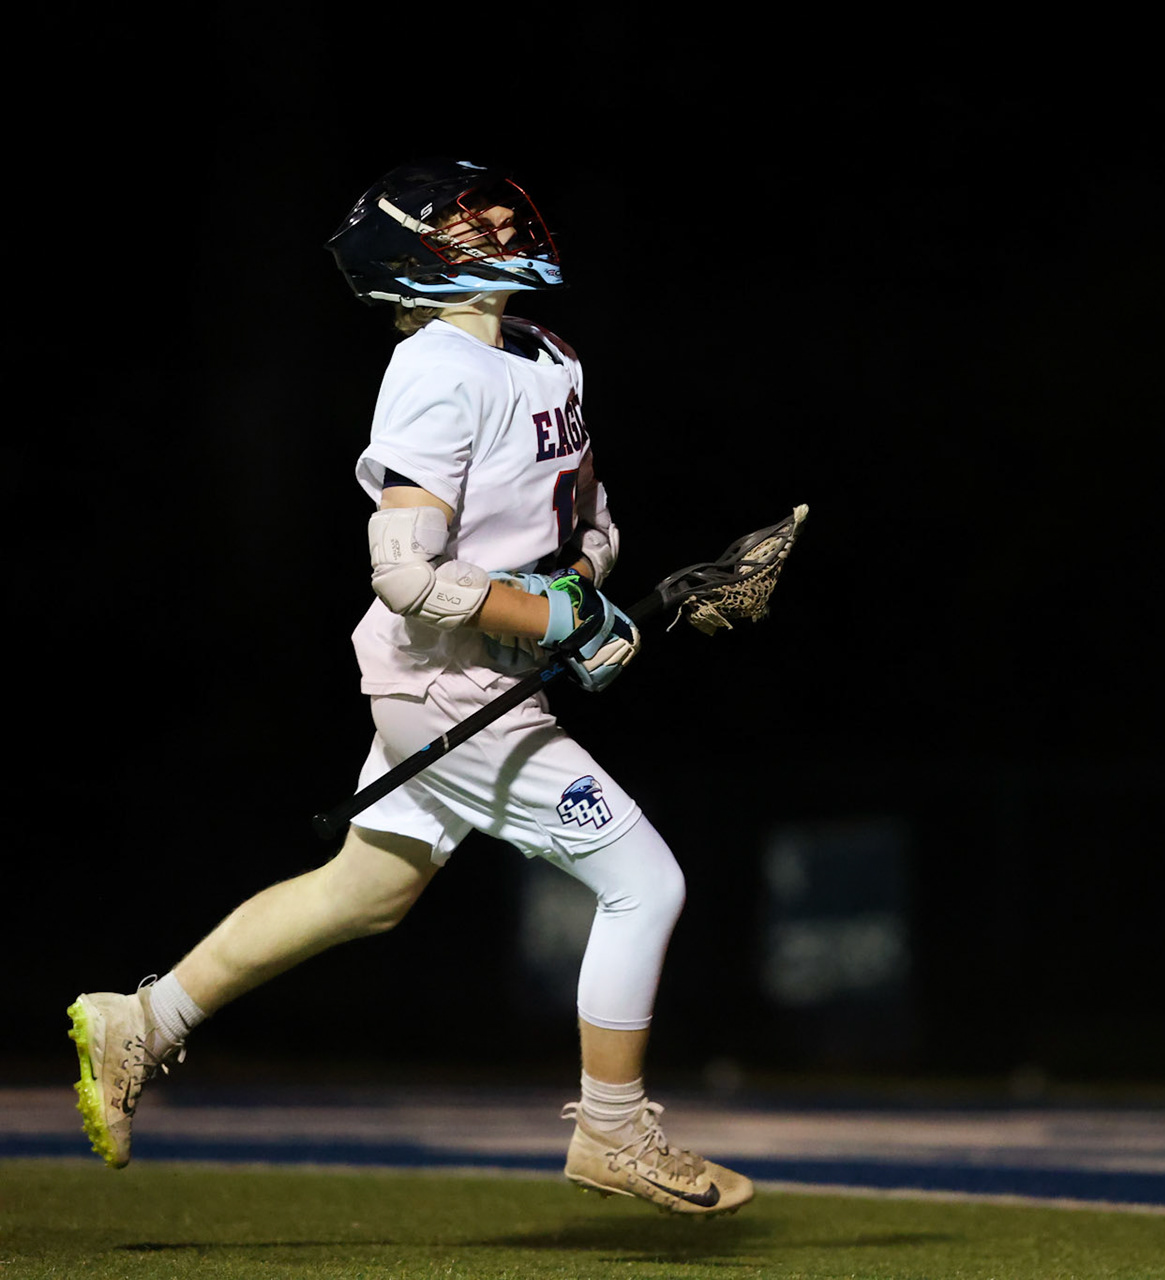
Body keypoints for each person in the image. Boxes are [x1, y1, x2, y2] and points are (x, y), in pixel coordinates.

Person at [64, 158, 753, 1216]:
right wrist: (554, 618)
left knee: (364, 889)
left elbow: (574, 532)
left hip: (487, 675)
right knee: (646, 882)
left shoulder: (546, 350)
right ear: (412, 259)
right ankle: (612, 1129)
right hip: (444, 682)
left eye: (491, 210)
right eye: (466, 219)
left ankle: (142, 1021)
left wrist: (590, 600)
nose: (493, 222)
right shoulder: (438, 365)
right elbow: (407, 571)